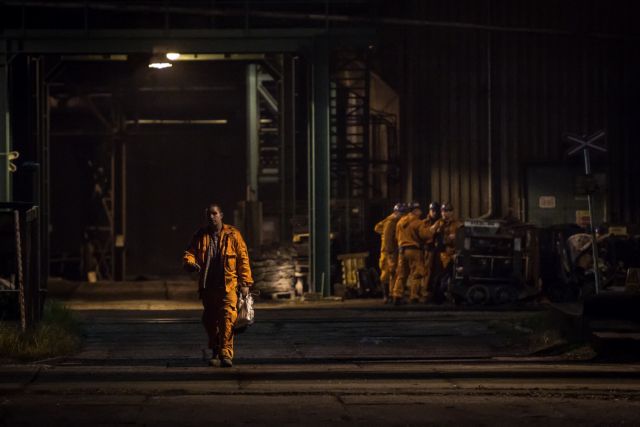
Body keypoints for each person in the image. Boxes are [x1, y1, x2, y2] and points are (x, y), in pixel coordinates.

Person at [183, 203, 253, 368]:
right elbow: (190, 253)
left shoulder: (233, 235)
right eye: (209, 214)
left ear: (221, 215)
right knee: (209, 320)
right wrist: (190, 263)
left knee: (227, 318)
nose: (211, 217)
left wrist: (245, 282)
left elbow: (243, 258)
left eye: (215, 213)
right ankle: (215, 350)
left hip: (228, 285)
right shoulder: (200, 235)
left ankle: (226, 354)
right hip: (208, 286)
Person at [391, 202, 426, 304]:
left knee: (401, 274)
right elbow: (425, 235)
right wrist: (432, 230)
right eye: (419, 210)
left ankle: (397, 295)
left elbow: (397, 237)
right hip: (414, 250)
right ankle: (414, 296)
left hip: (402, 251)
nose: (420, 212)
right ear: (415, 211)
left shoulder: (400, 222)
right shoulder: (418, 222)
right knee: (417, 273)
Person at [374, 203, 405, 303]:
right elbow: (387, 239)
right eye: (401, 213)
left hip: (390, 251)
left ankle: (390, 295)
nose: (403, 215)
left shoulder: (392, 220)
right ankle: (386, 296)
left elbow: (377, 228)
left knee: (392, 273)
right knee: (386, 274)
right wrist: (390, 252)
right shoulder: (391, 222)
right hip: (388, 253)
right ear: (396, 212)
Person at [417, 201, 441, 303]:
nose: (434, 212)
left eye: (436, 210)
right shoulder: (423, 223)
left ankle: (436, 294)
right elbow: (421, 237)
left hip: (440, 251)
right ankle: (426, 293)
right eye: (432, 210)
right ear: (429, 211)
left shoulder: (441, 222)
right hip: (428, 250)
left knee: (438, 272)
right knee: (427, 272)